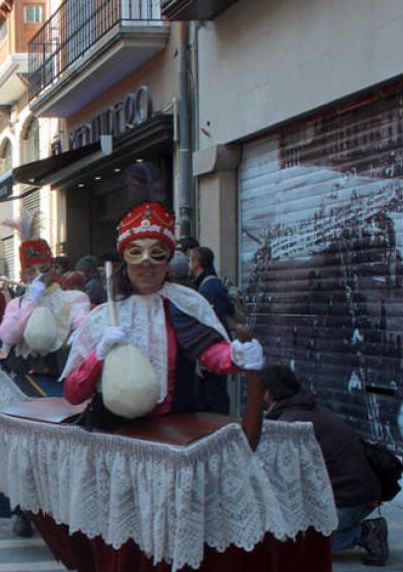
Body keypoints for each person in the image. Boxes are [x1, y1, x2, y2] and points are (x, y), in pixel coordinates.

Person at [60, 165, 264, 428]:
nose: (147, 264)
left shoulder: (185, 303)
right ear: (125, 261)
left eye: (157, 255)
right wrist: (99, 353)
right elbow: (73, 393)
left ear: (168, 262)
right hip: (114, 433)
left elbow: (209, 351)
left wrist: (236, 356)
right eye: (137, 254)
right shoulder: (102, 316)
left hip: (173, 431)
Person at [261, 366, 388, 566]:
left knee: (301, 544)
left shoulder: (291, 424)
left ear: (268, 392)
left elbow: (284, 480)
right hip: (355, 494)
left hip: (350, 500)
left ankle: (366, 533)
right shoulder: (304, 409)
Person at [0, 212, 91, 391]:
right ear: (23, 275)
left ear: (52, 269)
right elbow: (7, 335)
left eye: (43, 269)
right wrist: (30, 301)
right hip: (24, 381)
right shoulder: (16, 304)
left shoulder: (75, 299)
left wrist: (85, 329)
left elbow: (83, 322)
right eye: (31, 271)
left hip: (59, 381)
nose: (39, 276)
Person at [189, 245, 234, 413]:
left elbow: (212, 320)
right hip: (214, 348)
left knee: (214, 394)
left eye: (190, 260)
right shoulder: (211, 284)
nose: (189, 265)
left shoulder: (209, 287)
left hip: (214, 348)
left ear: (197, 263)